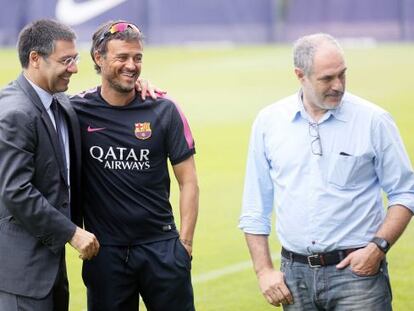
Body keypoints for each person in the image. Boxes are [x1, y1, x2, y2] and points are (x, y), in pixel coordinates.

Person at [239, 33, 414, 310]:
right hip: (293, 279)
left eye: (343, 75)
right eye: (327, 78)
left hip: (359, 276)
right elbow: (254, 206)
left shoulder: (373, 120)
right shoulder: (269, 122)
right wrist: (263, 271)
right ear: (300, 75)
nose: (338, 85)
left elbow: (405, 192)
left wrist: (378, 247)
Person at [70, 20, 199, 311]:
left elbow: (188, 180)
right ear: (98, 58)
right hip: (105, 253)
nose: (132, 65)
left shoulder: (164, 109)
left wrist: (185, 245)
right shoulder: (74, 111)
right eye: (122, 57)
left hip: (162, 248)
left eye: (137, 57)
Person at [0, 19, 100, 310]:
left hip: (49, 268)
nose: (75, 68)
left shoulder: (59, 101)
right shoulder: (15, 113)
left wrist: (136, 86)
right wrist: (72, 232)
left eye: (76, 58)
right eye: (66, 60)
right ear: (35, 59)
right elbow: (16, 191)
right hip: (22, 276)